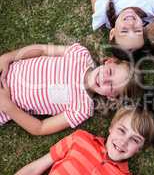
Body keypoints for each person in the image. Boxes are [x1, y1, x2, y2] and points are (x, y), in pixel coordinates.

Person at [0, 43, 142, 135]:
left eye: (111, 86)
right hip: (4, 69)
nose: (105, 79)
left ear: (111, 97)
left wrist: (7, 106)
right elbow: (42, 50)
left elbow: (40, 128)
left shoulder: (82, 109)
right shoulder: (80, 54)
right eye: (110, 72)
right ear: (108, 62)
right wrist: (7, 57)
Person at [15, 106, 154, 175]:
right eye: (121, 130)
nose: (123, 141)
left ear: (140, 148)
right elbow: (37, 167)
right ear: (111, 128)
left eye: (135, 139)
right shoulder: (80, 138)